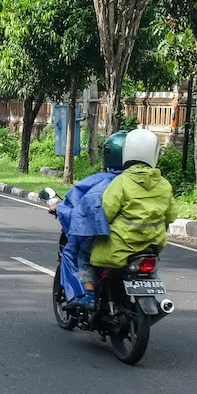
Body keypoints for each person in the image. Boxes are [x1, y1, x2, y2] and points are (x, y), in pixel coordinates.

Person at [51, 131, 127, 309]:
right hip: (146, 242)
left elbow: (80, 206)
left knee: (78, 254)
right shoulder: (154, 183)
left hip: (108, 238)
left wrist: (60, 208)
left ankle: (87, 295)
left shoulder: (101, 182)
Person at [88, 128, 177, 275]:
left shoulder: (121, 182)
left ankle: (88, 295)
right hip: (153, 245)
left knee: (86, 256)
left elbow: (106, 213)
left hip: (121, 247)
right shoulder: (164, 184)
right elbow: (171, 216)